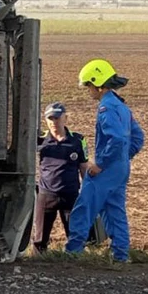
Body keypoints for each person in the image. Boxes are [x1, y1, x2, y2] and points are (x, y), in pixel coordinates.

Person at [66, 59, 145, 263]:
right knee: (114, 211)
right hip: (120, 168)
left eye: (89, 86)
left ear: (97, 83)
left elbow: (116, 138)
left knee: (84, 208)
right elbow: (137, 138)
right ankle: (120, 255)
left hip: (106, 169)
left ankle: (73, 252)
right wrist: (123, 158)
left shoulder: (106, 108)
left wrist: (101, 163)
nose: (88, 90)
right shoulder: (122, 106)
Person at [33, 102, 89, 253]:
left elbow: (84, 166)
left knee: (74, 236)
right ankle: (38, 264)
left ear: (65, 118)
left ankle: (74, 263)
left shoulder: (78, 141)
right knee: (40, 239)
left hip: (70, 195)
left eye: (57, 118)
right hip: (46, 195)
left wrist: (88, 192)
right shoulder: (39, 140)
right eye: (50, 119)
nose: (54, 122)